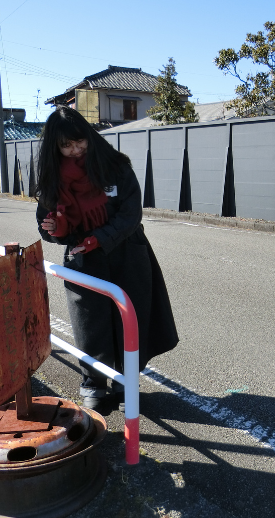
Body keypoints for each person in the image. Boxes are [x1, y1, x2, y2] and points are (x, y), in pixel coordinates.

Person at [35, 106, 179, 411]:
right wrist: (55, 228)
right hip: (82, 259)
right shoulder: (52, 178)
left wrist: (98, 238)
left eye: (79, 142)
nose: (75, 150)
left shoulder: (116, 166)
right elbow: (47, 224)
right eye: (66, 146)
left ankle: (126, 383)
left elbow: (131, 215)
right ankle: (93, 383)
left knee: (131, 321)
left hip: (127, 252)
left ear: (88, 136)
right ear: (55, 147)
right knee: (90, 325)